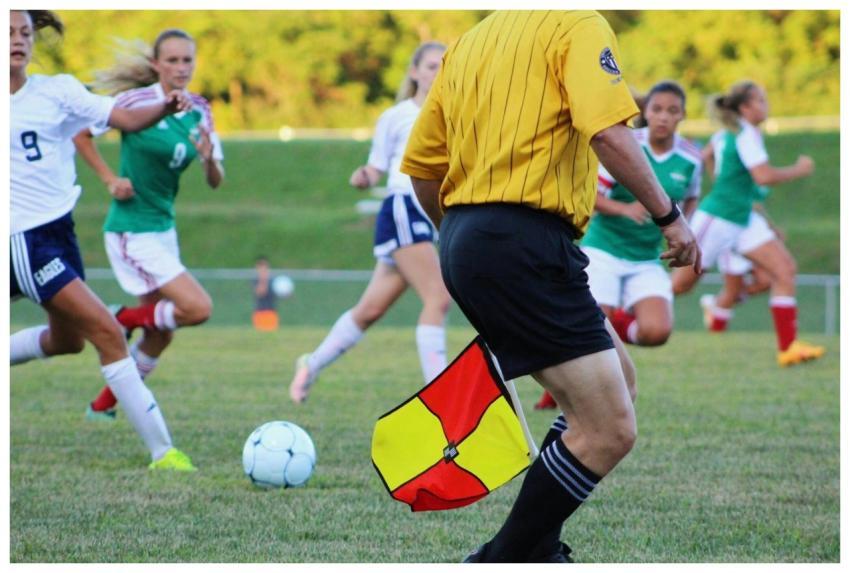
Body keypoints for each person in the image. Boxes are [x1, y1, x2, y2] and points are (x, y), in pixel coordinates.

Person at [401, 11, 700, 563]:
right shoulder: (578, 24)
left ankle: (537, 549)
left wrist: (467, 242)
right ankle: (500, 559)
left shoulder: (468, 43)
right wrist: (670, 216)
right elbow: (608, 133)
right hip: (525, 240)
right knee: (608, 430)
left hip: (471, 235)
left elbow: (423, 167)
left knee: (618, 384)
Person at [10, 10, 195, 471]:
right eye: (8, 32)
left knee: (67, 340)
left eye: (25, 32)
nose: (18, 40)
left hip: (59, 234)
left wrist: (164, 108)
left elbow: (126, 119)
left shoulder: (57, 90)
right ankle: (164, 453)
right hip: (23, 241)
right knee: (109, 334)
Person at [288, 42, 453, 404]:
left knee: (370, 311)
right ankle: (442, 398)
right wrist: (364, 176)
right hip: (404, 207)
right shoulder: (397, 116)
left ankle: (312, 363)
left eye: (444, 66)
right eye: (431, 66)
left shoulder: (455, 113)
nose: (438, 72)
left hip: (430, 216)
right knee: (439, 296)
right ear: (414, 72)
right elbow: (377, 167)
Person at [73, 29, 224, 419]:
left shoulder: (200, 110)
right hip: (131, 229)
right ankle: (120, 318)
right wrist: (110, 179)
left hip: (163, 229)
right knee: (197, 308)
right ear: (156, 64)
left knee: (160, 334)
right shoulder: (136, 101)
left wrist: (209, 158)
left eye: (187, 60)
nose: (181, 67)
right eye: (172, 60)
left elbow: (215, 180)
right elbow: (81, 134)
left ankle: (101, 407)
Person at [535, 80, 702, 410]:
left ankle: (610, 324)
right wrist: (625, 209)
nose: (663, 117)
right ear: (646, 112)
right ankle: (558, 392)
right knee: (593, 331)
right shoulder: (627, 145)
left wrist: (683, 228)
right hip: (604, 250)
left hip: (647, 257)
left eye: (672, 111)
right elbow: (590, 196)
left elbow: (691, 196)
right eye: (657, 109)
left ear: (683, 115)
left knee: (656, 332)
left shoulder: (691, 158)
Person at [671, 81, 824, 367]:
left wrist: (722, 178)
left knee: (784, 270)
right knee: (680, 285)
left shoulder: (734, 132)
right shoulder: (743, 134)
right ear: (744, 107)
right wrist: (799, 169)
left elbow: (707, 155)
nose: (766, 105)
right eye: (761, 101)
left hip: (743, 217)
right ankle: (620, 318)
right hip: (719, 216)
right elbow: (763, 176)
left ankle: (788, 348)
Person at [252, 256, 279, 331]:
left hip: (271, 312)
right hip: (260, 312)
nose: (263, 268)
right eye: (261, 266)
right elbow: (260, 292)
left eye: (265, 266)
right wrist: (263, 278)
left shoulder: (273, 279)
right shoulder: (255, 279)